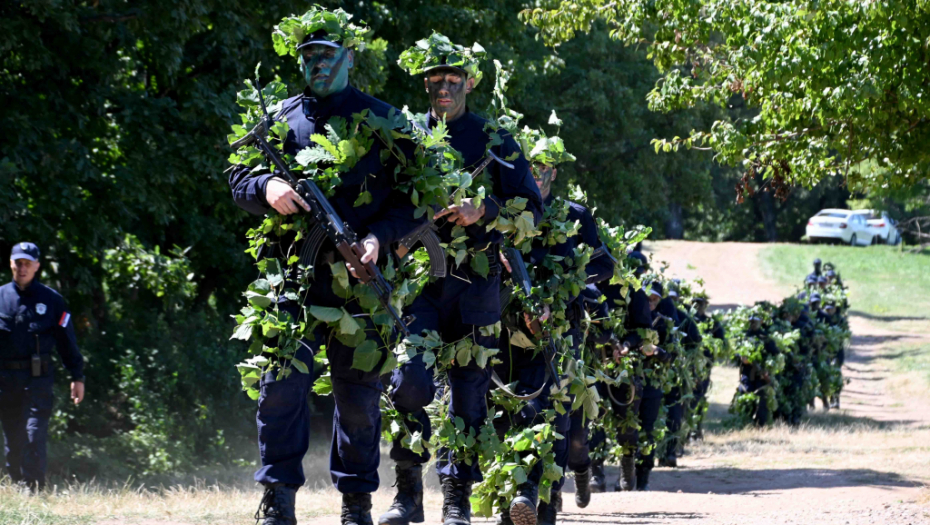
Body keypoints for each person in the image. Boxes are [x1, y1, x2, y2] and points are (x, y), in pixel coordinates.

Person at [228, 9, 424, 525]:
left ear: (349, 58)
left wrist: (380, 239)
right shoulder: (280, 119)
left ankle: (357, 501)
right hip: (291, 280)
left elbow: (413, 200)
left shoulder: (386, 123)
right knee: (280, 391)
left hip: (360, 282)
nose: (316, 64)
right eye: (308, 55)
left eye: (326, 55)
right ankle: (277, 499)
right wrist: (266, 187)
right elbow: (238, 173)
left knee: (358, 399)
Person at [382, 33, 543, 525]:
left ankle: (455, 500)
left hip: (478, 281)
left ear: (470, 83)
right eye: (435, 81)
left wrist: (485, 210)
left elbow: (532, 210)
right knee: (409, 383)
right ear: (426, 86)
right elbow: (381, 203)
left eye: (453, 80)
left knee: (470, 393)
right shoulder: (406, 137)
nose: (444, 88)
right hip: (421, 281)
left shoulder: (495, 141)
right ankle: (407, 494)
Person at [513, 144, 614, 525]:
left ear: (554, 173)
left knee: (557, 414)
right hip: (510, 328)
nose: (537, 173)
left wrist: (567, 284)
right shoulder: (509, 213)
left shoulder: (574, 215)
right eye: (531, 166)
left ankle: (550, 495)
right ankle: (516, 491)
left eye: (544, 168)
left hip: (561, 329)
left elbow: (604, 264)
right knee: (514, 408)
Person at [1, 242, 85, 493]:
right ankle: (17, 486)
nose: (22, 268)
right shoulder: (0, 297)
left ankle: (34, 489)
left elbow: (66, 341)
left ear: (37, 266)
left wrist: (77, 375)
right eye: (18, 263)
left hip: (37, 379)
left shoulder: (52, 301)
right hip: (5, 380)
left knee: (33, 434)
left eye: (28, 263)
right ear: (11, 264)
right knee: (13, 439)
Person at [736, 313, 778, 426]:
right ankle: (746, 422)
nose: (753, 324)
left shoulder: (766, 338)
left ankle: (760, 425)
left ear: (761, 322)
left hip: (761, 375)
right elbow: (737, 355)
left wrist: (767, 369)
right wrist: (742, 358)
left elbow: (775, 355)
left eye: (755, 321)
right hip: (747, 373)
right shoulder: (744, 337)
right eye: (751, 321)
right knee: (745, 395)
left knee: (762, 399)